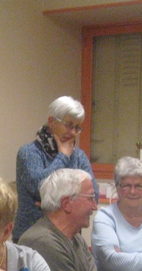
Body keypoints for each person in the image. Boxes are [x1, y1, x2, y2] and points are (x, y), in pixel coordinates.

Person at [12, 95, 99, 242]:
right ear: (52, 122)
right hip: (32, 238)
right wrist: (63, 157)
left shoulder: (79, 156)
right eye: (69, 125)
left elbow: (92, 196)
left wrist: (51, 204)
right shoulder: (28, 153)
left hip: (70, 237)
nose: (73, 133)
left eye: (77, 128)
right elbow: (38, 187)